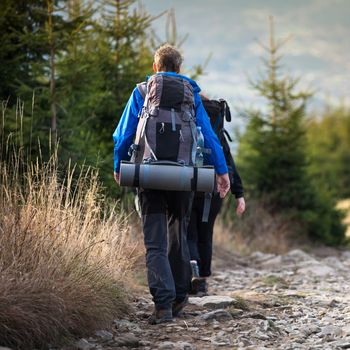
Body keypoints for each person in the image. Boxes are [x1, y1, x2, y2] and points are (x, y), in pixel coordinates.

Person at [113, 44, 230, 324]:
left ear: (155, 67)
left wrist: (119, 165)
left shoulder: (142, 92)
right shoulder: (192, 95)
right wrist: (222, 172)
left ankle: (162, 307)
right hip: (183, 177)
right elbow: (208, 136)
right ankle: (179, 298)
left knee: (155, 242)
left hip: (150, 177)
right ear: (179, 68)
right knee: (178, 237)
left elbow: (124, 133)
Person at [187, 96, 246, 296]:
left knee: (188, 232)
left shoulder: (187, 117)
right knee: (206, 233)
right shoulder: (217, 128)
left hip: (188, 182)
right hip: (214, 186)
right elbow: (229, 159)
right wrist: (239, 194)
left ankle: (192, 270)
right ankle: (202, 282)